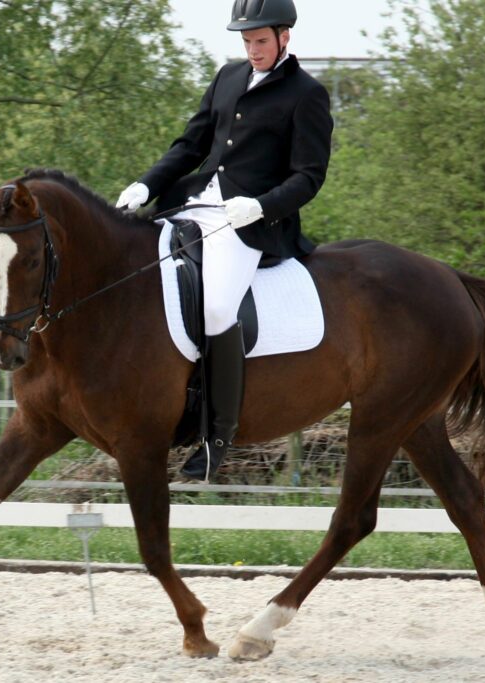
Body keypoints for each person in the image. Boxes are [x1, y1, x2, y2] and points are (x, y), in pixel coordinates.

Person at [116, 0, 333, 480]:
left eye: (260, 41)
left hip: (249, 222)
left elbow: (309, 176)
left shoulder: (307, 94)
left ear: (284, 38)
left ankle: (218, 435)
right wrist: (147, 185)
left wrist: (260, 206)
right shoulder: (227, 77)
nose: (252, 50)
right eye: (246, 41)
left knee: (217, 309)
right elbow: (191, 145)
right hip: (192, 205)